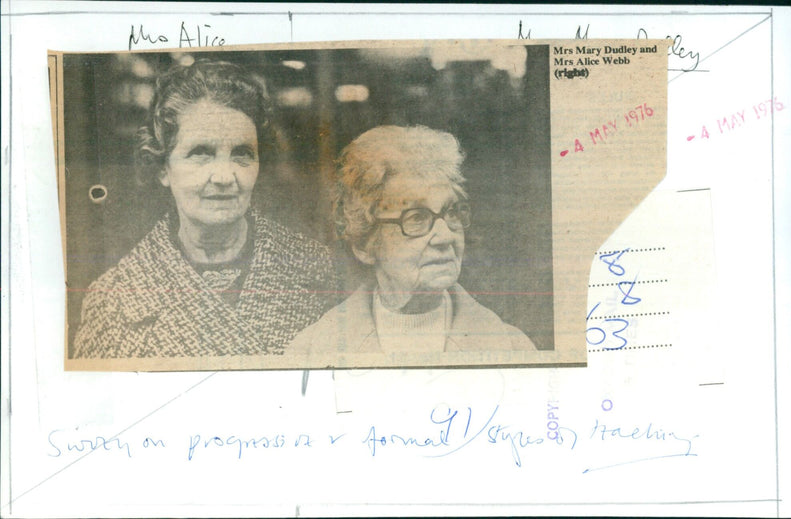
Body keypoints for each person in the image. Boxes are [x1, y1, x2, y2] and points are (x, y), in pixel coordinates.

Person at [73, 60, 339, 358]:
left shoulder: (317, 270)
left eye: (242, 154)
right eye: (201, 153)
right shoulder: (114, 303)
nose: (225, 177)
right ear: (162, 167)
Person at [288, 125, 535, 356]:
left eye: (451, 213)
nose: (446, 236)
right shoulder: (311, 351)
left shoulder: (514, 348)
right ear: (364, 244)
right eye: (416, 217)